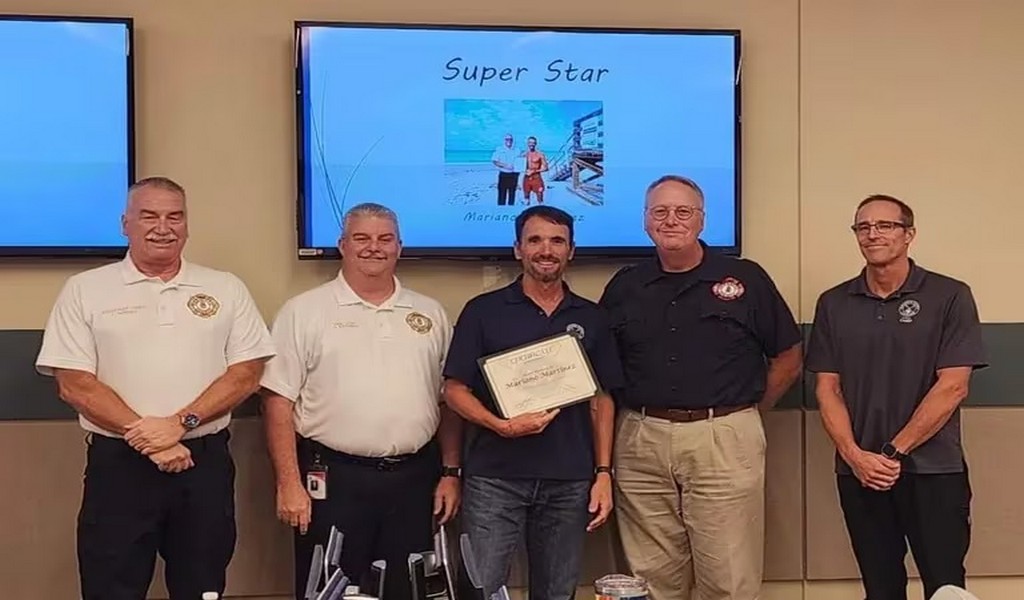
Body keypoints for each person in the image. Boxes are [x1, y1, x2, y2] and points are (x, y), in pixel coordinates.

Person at [35, 176, 276, 599]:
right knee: (111, 586)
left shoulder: (225, 287)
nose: (162, 227)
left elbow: (246, 372)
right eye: (149, 216)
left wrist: (181, 424)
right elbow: (74, 384)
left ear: (186, 225)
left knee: (202, 585)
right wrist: (151, 439)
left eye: (174, 216)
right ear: (125, 223)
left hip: (204, 465)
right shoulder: (85, 290)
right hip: (119, 466)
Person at [598, 175, 803, 600]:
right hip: (640, 437)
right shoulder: (625, 286)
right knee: (651, 577)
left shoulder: (745, 279)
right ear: (645, 221)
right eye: (660, 211)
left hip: (724, 434)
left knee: (727, 574)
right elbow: (602, 372)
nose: (671, 220)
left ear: (701, 220)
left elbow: (788, 356)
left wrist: (745, 414)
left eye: (682, 211)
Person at [259, 202, 461, 600]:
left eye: (385, 239)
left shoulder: (429, 313)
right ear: (342, 245)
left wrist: (450, 472)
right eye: (362, 238)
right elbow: (276, 401)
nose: (374, 248)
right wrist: (289, 483)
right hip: (333, 479)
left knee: (409, 589)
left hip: (414, 478)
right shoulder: (304, 312)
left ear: (399, 247)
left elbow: (448, 401)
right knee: (331, 588)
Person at [805, 194, 987, 600]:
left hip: (934, 471)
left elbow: (953, 386)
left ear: (909, 235)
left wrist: (892, 453)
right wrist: (856, 457)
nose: (873, 234)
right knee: (880, 588)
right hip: (861, 473)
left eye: (885, 225)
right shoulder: (834, 303)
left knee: (945, 588)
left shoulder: (950, 296)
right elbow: (826, 389)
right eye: (863, 227)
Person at [442, 205, 623, 600]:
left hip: (570, 480)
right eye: (535, 240)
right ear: (517, 249)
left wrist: (604, 472)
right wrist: (500, 425)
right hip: (494, 479)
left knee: (558, 593)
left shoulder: (592, 318)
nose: (546, 250)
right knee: (482, 590)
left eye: (557, 241)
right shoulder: (482, 311)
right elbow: (453, 391)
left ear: (571, 251)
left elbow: (602, 399)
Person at [492, 133, 521, 206]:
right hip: (503, 174)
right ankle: (501, 212)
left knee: (512, 195)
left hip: (514, 175)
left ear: (513, 141)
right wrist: (505, 166)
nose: (509, 141)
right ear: (504, 140)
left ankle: (510, 211)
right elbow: (495, 161)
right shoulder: (499, 149)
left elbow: (520, 161)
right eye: (507, 139)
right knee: (502, 194)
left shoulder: (517, 150)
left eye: (511, 139)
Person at [522, 136, 548, 205]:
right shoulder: (524, 154)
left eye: (533, 143)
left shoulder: (540, 154)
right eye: (530, 142)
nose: (531, 144)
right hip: (526, 178)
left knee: (540, 197)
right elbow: (518, 166)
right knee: (526, 197)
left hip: (536, 178)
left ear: (536, 144)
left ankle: (541, 213)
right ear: (527, 143)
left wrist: (534, 171)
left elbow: (546, 168)